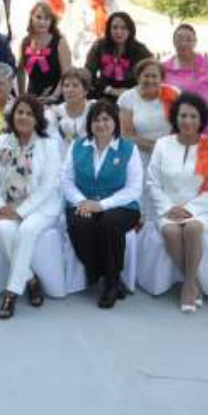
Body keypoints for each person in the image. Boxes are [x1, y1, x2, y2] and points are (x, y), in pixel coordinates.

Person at [145, 91, 208, 315]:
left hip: (202, 209)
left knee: (192, 228)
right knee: (171, 232)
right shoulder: (163, 144)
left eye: (193, 116)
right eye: (183, 116)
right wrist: (168, 208)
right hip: (167, 208)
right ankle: (193, 284)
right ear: (175, 118)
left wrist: (189, 209)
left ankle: (188, 286)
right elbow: (152, 182)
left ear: (201, 120)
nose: (187, 121)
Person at [0, 95, 63, 319]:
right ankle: (30, 280)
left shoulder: (49, 145)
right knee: (2, 229)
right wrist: (0, 205)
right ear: (12, 116)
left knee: (27, 229)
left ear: (38, 118)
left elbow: (47, 187)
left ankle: (11, 294)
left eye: (29, 113)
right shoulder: (2, 142)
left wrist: (19, 212)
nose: (24, 117)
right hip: (7, 205)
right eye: (20, 112)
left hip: (42, 207)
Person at [61, 101, 144, 309]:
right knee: (80, 223)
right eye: (96, 119)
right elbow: (66, 180)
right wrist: (81, 201)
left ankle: (111, 282)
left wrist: (102, 205)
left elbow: (134, 189)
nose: (101, 124)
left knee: (109, 223)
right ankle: (104, 275)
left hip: (121, 206)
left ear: (115, 121)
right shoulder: (78, 146)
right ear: (90, 123)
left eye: (106, 119)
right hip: (82, 202)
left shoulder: (129, 149)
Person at [84, 12, 152, 102]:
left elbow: (152, 74)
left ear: (130, 30)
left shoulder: (140, 50)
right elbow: (88, 74)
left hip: (133, 96)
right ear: (109, 29)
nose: (119, 32)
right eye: (114, 27)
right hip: (103, 94)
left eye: (123, 28)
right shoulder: (99, 46)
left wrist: (131, 91)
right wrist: (110, 90)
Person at [119, 59, 178, 160]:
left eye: (154, 76)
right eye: (146, 76)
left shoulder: (173, 93)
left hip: (170, 152)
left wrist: (167, 149)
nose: (150, 80)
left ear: (161, 79)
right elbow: (126, 134)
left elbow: (180, 126)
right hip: (139, 154)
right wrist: (156, 148)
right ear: (138, 78)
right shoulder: (127, 97)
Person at [16, 2, 72, 104]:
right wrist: (21, 95)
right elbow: (20, 72)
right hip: (32, 95)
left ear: (51, 21)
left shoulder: (60, 42)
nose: (42, 22)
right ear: (31, 18)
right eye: (38, 17)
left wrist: (53, 96)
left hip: (56, 95)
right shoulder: (25, 42)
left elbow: (66, 74)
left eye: (46, 19)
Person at [68, 0, 117, 65]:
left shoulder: (111, 3)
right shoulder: (80, 4)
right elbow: (75, 32)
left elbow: (118, 27)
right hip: (86, 52)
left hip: (109, 52)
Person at [162, 23, 208, 91]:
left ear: (195, 42)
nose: (184, 43)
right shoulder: (164, 68)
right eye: (179, 39)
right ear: (173, 42)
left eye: (188, 40)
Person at [49, 68, 95, 147]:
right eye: (66, 86)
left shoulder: (95, 109)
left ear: (86, 90)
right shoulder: (53, 113)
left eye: (75, 86)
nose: (70, 90)